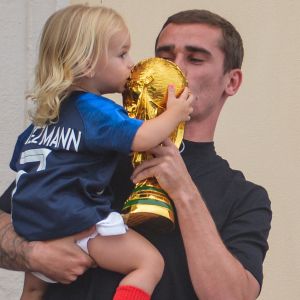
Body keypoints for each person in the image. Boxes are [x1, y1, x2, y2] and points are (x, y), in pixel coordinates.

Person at [0, 9, 272, 300]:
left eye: (195, 58)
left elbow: (231, 296)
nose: (174, 69)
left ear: (231, 82)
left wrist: (184, 192)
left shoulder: (245, 197)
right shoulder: (94, 142)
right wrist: (34, 254)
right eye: (164, 56)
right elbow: (14, 214)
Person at [6, 4, 193, 300]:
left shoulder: (45, 117)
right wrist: (175, 113)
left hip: (31, 225)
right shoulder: (96, 110)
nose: (131, 63)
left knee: (33, 289)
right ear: (86, 62)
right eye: (122, 54)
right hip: (76, 222)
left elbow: (20, 162)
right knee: (149, 263)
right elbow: (143, 137)